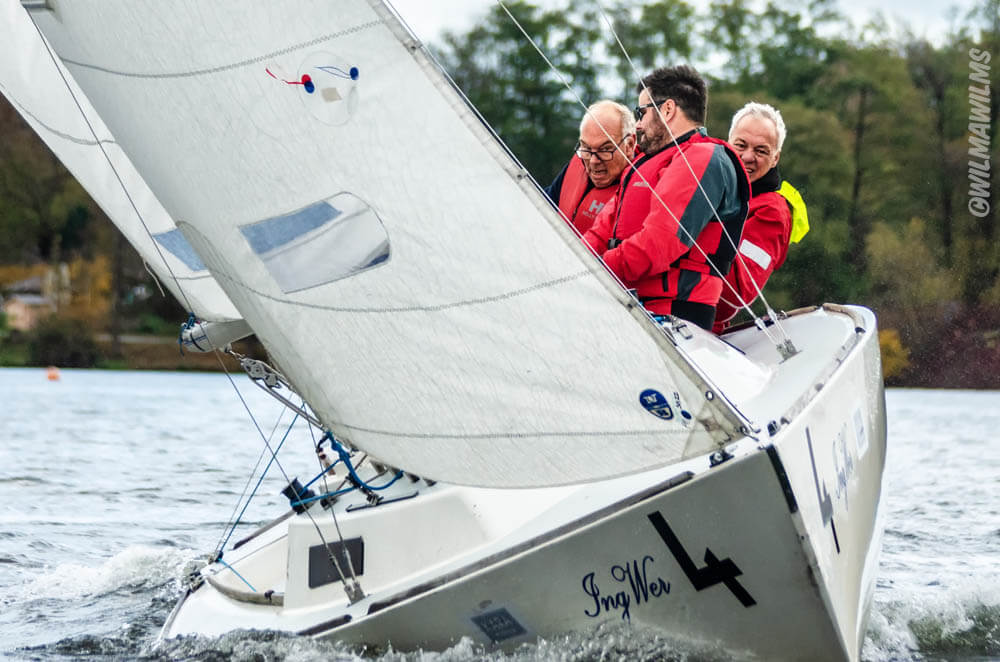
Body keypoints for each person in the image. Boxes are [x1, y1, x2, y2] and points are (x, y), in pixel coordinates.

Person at [583, 65, 750, 330]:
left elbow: (659, 242)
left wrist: (592, 272)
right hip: (629, 305)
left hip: (675, 316)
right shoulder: (644, 165)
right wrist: (573, 262)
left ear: (668, 109)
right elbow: (600, 232)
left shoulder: (704, 158)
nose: (638, 124)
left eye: (642, 112)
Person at [713, 102, 809, 333]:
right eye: (740, 145)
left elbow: (734, 295)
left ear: (775, 158)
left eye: (761, 151)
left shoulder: (772, 213)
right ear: (727, 143)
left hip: (693, 329)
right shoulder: (711, 185)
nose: (747, 157)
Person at [545, 100, 637, 234]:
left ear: (629, 145)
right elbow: (540, 205)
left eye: (605, 149)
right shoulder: (577, 164)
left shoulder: (640, 189)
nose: (593, 161)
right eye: (586, 148)